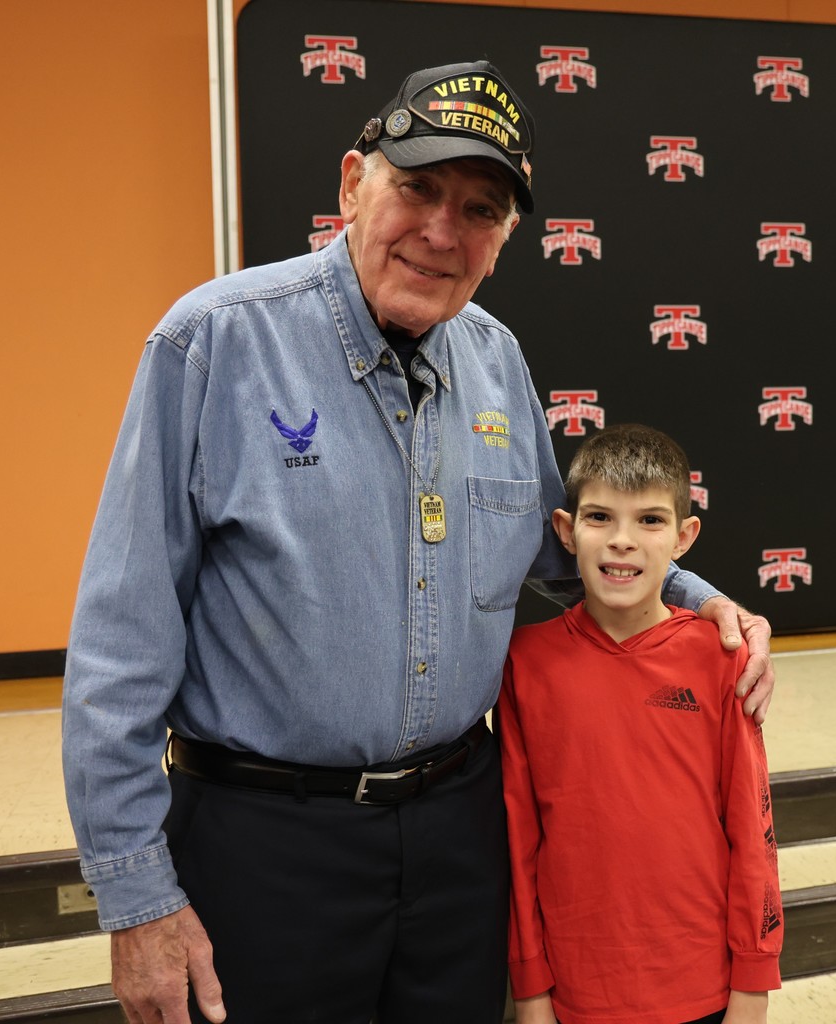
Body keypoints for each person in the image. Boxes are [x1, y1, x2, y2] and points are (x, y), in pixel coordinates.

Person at [61, 62, 775, 1024]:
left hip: (457, 835)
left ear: (504, 238)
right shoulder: (215, 342)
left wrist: (701, 601)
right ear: (353, 183)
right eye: (418, 188)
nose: (442, 232)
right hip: (265, 844)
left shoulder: (495, 359)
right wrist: (136, 896)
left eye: (480, 210)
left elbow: (562, 551)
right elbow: (120, 643)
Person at [498, 423, 783, 1024]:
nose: (622, 541)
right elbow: (519, 839)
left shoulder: (721, 659)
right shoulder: (525, 663)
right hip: (576, 987)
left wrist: (753, 983)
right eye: (599, 517)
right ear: (565, 531)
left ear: (684, 537)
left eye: (650, 520)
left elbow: (752, 829)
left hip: (701, 984)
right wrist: (530, 988)